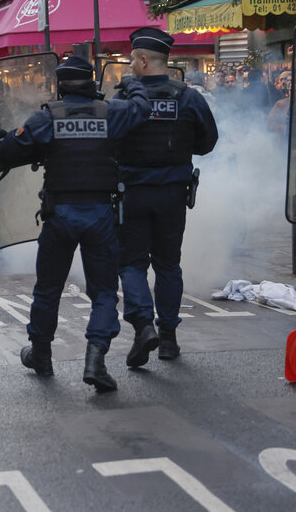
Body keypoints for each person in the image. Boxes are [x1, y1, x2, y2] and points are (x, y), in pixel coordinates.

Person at [0, 53, 151, 391]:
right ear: (92, 81)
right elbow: (141, 109)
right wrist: (133, 83)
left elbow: (10, 150)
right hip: (100, 215)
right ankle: (95, 359)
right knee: (104, 291)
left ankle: (42, 355)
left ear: (59, 85)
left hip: (59, 215)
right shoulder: (112, 113)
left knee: (48, 289)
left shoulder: (47, 117)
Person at [115, 28, 219, 367]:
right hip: (173, 194)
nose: (129, 65)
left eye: (132, 59)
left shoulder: (124, 98)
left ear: (144, 61)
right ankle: (169, 339)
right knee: (168, 265)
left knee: (132, 263)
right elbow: (207, 143)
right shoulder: (188, 97)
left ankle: (144, 325)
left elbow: (108, 142)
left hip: (131, 194)